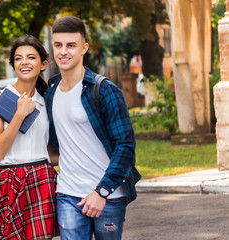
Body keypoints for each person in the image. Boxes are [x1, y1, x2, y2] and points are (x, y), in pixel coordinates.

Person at [44, 16, 142, 240]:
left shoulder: (104, 89)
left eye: (71, 45)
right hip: (68, 194)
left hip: (108, 195)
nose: (63, 51)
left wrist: (102, 192)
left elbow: (125, 144)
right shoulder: (51, 91)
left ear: (83, 48)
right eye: (58, 45)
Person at [0, 35, 59, 240]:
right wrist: (19, 114)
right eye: (18, 58)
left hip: (41, 179)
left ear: (43, 64)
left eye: (31, 57)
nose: (24, 62)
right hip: (9, 180)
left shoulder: (46, 102)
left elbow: (50, 152)